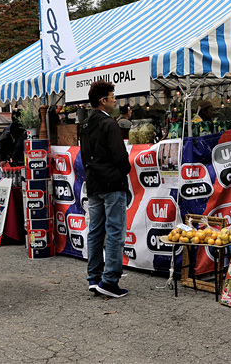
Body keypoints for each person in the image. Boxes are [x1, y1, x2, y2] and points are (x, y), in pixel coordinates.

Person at [80, 81, 132, 298]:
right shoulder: (109, 124)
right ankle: (109, 281)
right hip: (111, 184)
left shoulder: (85, 124)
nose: (115, 100)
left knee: (95, 231)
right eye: (112, 97)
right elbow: (120, 156)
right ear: (103, 100)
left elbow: (84, 157)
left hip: (94, 183)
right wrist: (123, 171)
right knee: (114, 232)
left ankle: (94, 278)